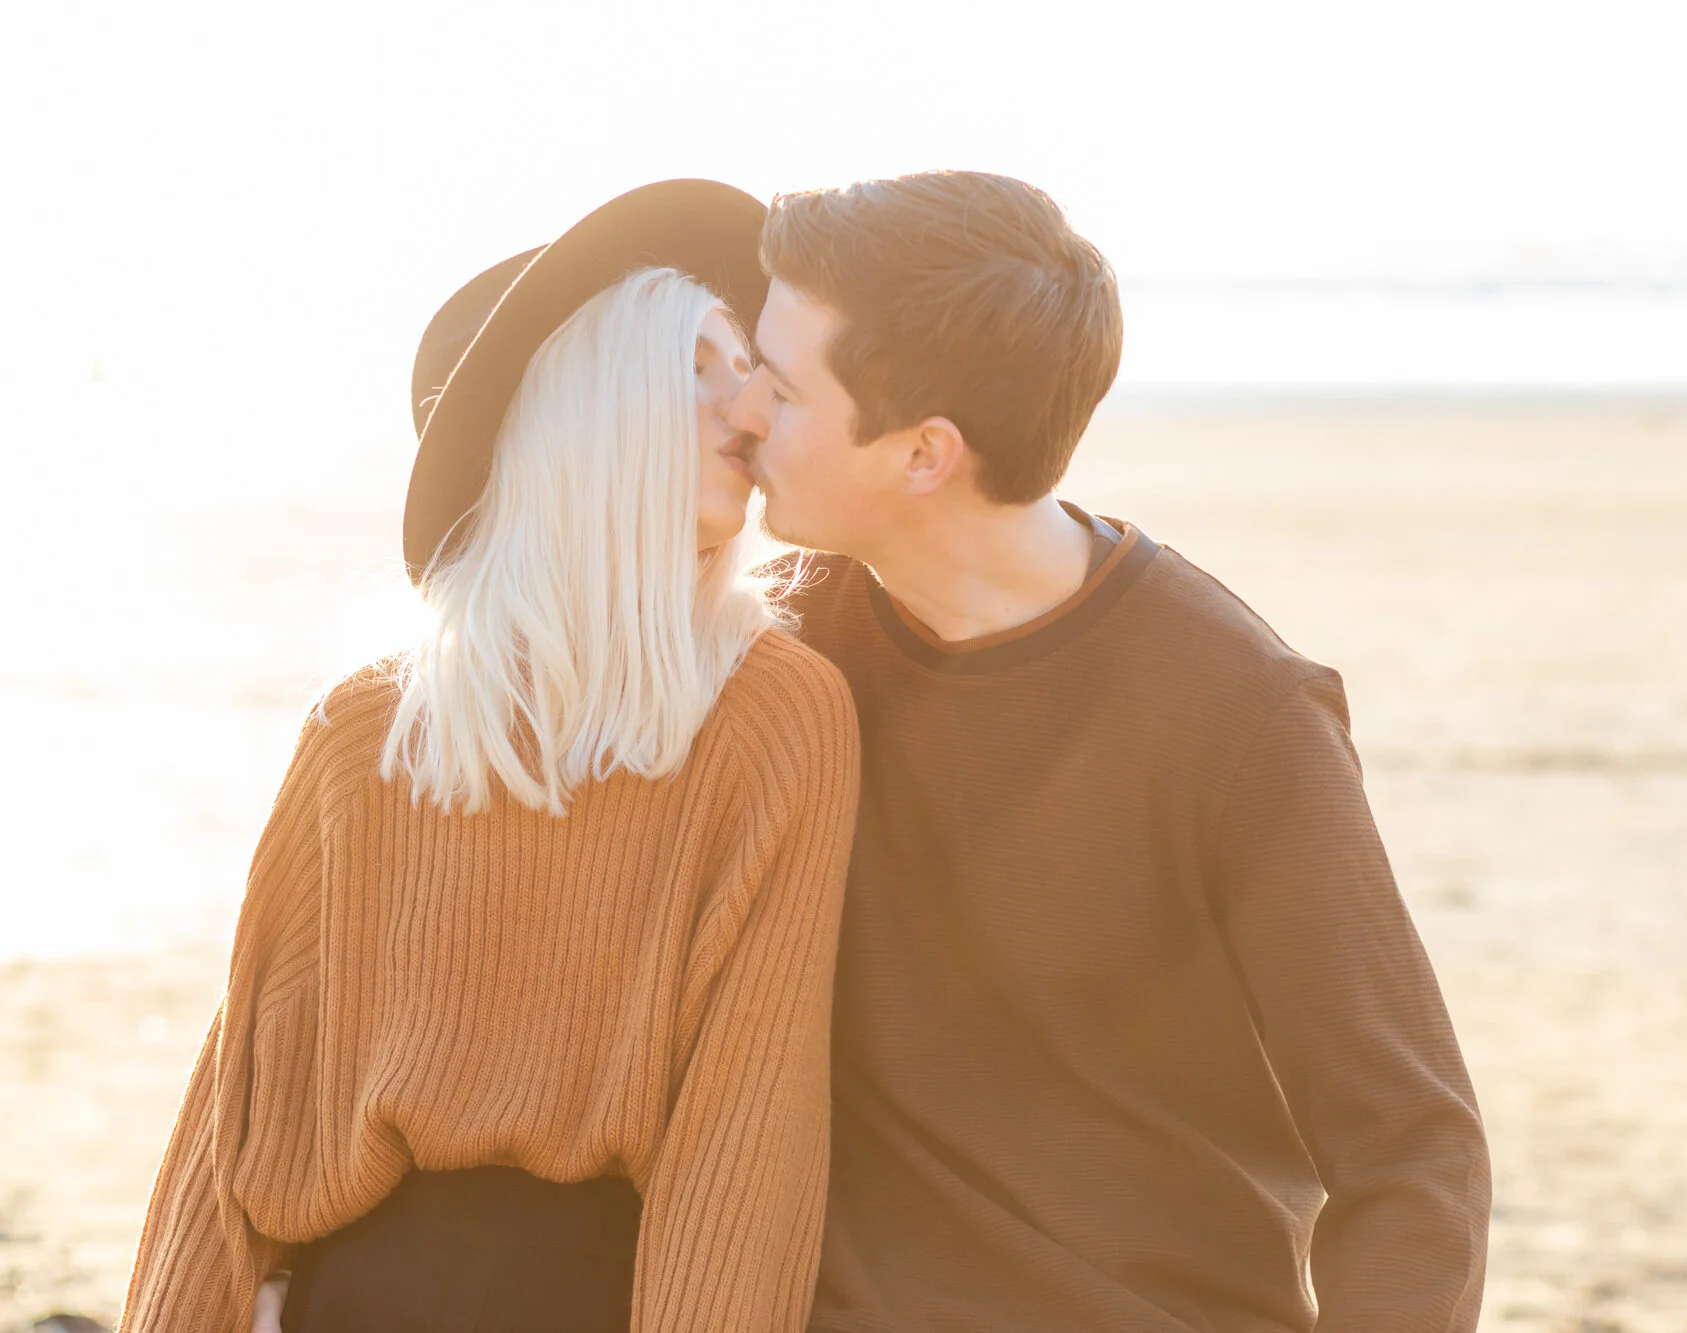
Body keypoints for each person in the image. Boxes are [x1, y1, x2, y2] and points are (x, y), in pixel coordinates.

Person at [726, 172, 1493, 1331]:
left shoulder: (1237, 714)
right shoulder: (777, 646)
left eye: (779, 390)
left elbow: (1413, 1152)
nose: (739, 410)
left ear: (922, 454)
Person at [124, 180, 861, 1333]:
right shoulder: (365, 728)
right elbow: (239, 1121)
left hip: (594, 1299)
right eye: (705, 366)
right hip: (348, 1297)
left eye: (754, 371)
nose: (754, 409)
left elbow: (744, 1134)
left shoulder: (775, 715)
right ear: (594, 408)